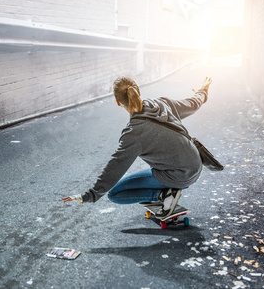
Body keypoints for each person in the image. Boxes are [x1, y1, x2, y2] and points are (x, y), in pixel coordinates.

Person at [62, 76, 212, 218]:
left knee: (114, 194)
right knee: (155, 174)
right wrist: (203, 90)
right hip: (196, 167)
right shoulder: (161, 103)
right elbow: (192, 104)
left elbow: (115, 167)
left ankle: (163, 195)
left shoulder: (134, 133)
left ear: (118, 102)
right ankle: (168, 192)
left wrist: (89, 195)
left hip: (178, 177)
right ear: (139, 92)